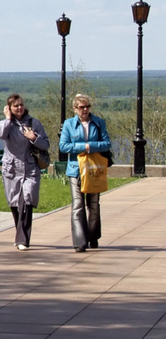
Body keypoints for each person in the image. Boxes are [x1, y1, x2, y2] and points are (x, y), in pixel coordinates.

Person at [0, 94, 50, 251]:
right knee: (14, 202)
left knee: (27, 199)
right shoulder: (7, 124)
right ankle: (20, 233)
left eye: (21, 105)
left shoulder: (34, 123)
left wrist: (33, 137)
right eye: (15, 106)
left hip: (29, 168)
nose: (19, 108)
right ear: (9, 108)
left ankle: (22, 240)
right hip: (11, 169)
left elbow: (46, 144)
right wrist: (7, 119)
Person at [59, 94, 111, 252]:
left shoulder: (98, 123)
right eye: (81, 107)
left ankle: (93, 236)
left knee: (93, 205)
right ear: (75, 109)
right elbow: (64, 146)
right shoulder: (69, 124)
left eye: (87, 106)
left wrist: (91, 146)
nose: (85, 110)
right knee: (78, 205)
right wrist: (83, 147)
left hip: (94, 169)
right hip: (76, 169)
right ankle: (80, 242)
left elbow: (107, 143)